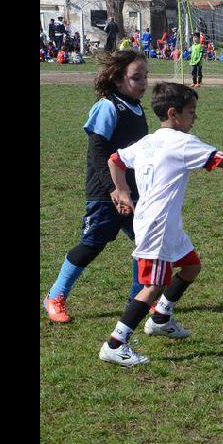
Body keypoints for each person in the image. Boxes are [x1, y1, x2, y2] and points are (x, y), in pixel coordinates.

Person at [99, 82, 223, 366]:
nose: (195, 117)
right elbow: (221, 160)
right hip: (157, 226)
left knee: (191, 265)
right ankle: (115, 343)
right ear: (174, 113)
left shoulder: (148, 141)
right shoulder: (182, 143)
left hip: (165, 223)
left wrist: (121, 190)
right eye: (191, 112)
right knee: (153, 285)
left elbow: (115, 159)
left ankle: (161, 318)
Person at [43, 50, 150, 323]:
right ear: (117, 80)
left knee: (146, 244)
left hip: (133, 191)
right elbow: (98, 152)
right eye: (136, 78)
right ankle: (55, 295)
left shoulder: (137, 108)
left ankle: (138, 300)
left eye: (145, 77)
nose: (143, 83)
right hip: (105, 193)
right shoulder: (108, 106)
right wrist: (114, 188)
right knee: (91, 244)